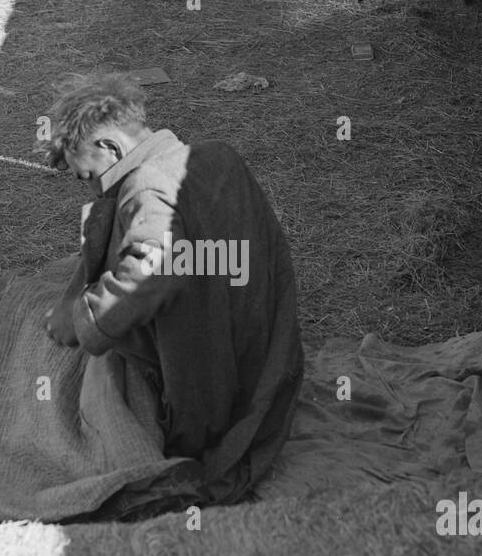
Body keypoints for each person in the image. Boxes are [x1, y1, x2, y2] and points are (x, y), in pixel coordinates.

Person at [38, 72, 303, 506]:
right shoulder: (220, 157)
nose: (92, 188)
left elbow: (152, 271)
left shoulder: (147, 185)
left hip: (209, 396)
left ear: (111, 147)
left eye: (88, 176)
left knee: (79, 371)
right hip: (261, 367)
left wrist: (83, 323)